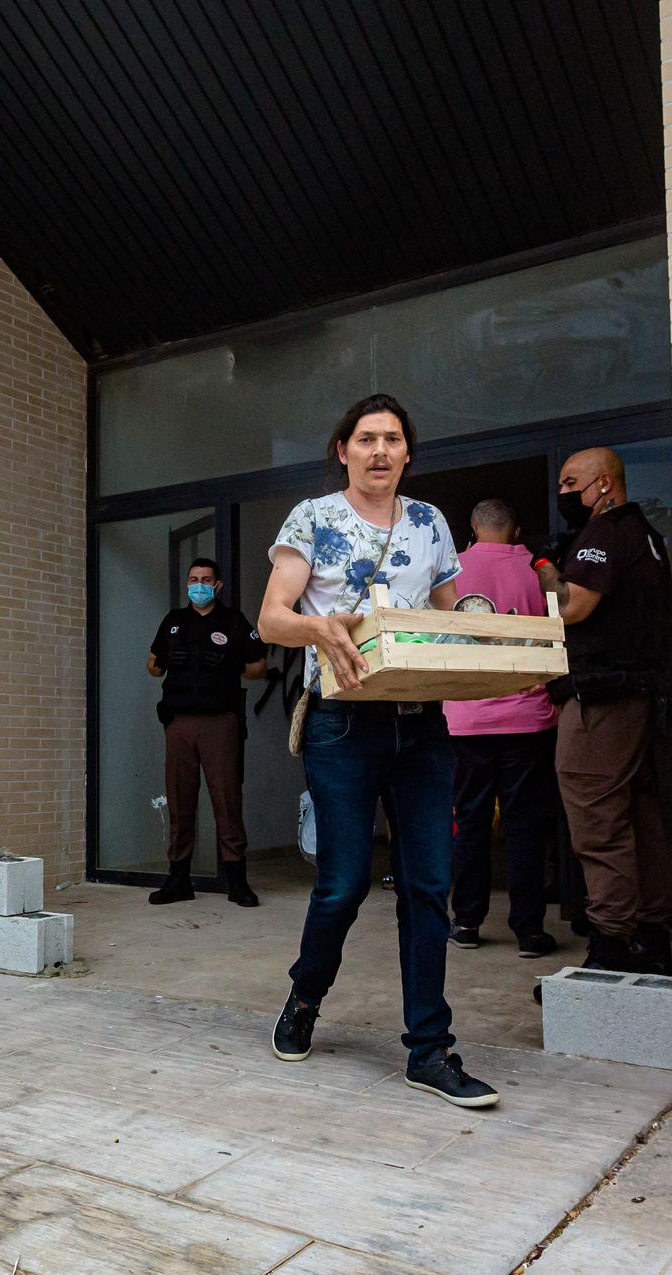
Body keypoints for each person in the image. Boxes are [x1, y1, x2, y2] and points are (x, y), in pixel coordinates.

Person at [259, 392, 497, 1109]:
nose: (380, 451)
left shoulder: (428, 523)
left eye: (393, 439)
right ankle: (305, 997)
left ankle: (430, 1050)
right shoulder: (313, 518)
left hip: (421, 723)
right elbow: (272, 618)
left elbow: (454, 610)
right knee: (344, 882)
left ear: (407, 453)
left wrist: (483, 626)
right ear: (344, 450)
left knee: (428, 885)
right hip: (341, 724)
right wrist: (319, 629)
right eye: (366, 439)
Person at [534, 446, 672, 976]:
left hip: (601, 699)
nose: (563, 492)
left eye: (572, 482)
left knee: (595, 818)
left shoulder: (606, 531)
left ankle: (610, 946)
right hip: (637, 698)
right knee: (638, 818)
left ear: (605, 485)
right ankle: (651, 940)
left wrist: (547, 565)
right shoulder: (647, 536)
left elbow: (572, 605)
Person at [444, 499, 559, 958]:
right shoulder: (536, 569)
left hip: (465, 719)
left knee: (469, 820)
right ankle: (529, 931)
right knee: (525, 824)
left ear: (472, 529)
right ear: (515, 531)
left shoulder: (450, 570)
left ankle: (467, 922)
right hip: (526, 718)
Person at [146, 557, 266, 907]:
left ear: (217, 585)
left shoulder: (233, 621)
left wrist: (230, 663)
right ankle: (178, 880)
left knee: (226, 798)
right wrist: (168, 661)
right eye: (193, 579)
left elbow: (259, 666)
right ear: (187, 584)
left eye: (205, 579)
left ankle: (237, 882)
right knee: (180, 798)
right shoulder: (174, 621)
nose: (198, 584)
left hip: (219, 721)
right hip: (179, 722)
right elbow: (152, 665)